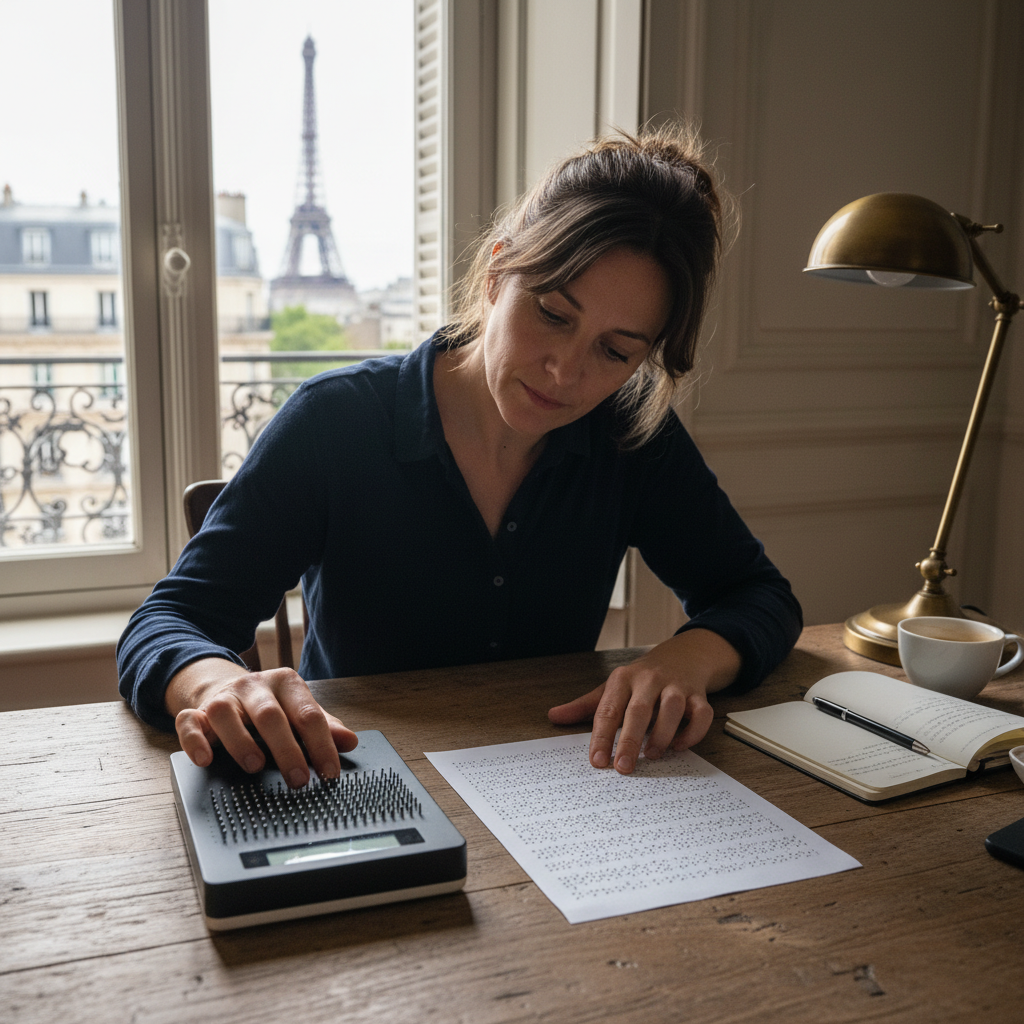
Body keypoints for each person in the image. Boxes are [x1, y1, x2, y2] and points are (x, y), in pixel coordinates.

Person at [117, 125, 802, 789]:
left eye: (615, 351)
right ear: (498, 272)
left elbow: (759, 595)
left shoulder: (630, 434)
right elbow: (166, 622)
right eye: (554, 314)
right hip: (356, 783)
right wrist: (216, 680)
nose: (564, 372)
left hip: (564, 793)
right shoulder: (336, 421)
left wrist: (688, 657)